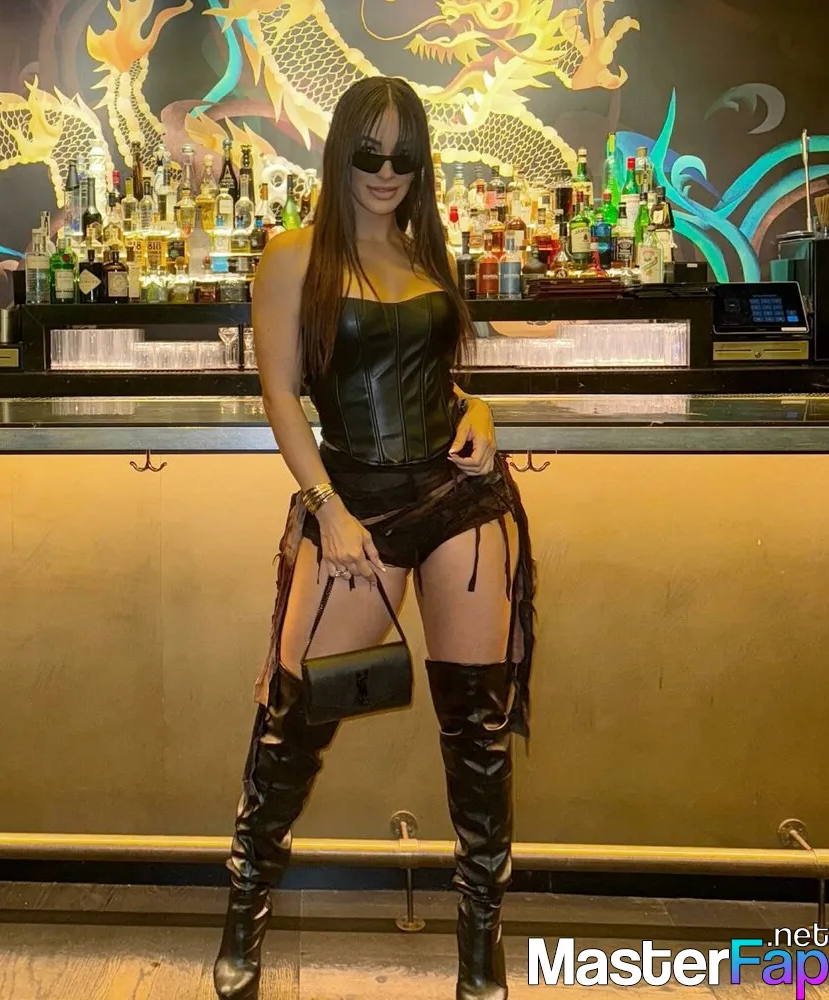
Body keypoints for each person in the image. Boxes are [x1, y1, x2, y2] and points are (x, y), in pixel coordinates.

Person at [213, 75, 535, 1000]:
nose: (387, 171)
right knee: (294, 717)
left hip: (459, 500)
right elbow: (280, 393)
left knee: (478, 730)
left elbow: (439, 378)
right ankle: (244, 913)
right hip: (353, 502)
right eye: (370, 153)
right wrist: (324, 508)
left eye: (405, 156)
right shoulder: (293, 256)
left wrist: (482, 412)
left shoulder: (426, 249)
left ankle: (480, 951)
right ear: (340, 152)